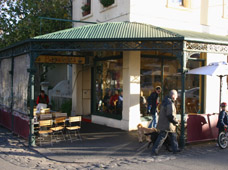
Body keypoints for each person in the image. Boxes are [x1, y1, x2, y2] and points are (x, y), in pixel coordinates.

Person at [151, 89, 180, 156]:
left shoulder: (165, 101)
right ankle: (154, 150)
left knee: (173, 135)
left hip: (165, 123)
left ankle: (175, 149)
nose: (176, 98)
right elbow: (169, 115)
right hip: (167, 124)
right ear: (173, 96)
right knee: (162, 137)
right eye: (176, 96)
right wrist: (175, 122)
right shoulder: (170, 103)